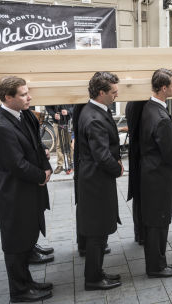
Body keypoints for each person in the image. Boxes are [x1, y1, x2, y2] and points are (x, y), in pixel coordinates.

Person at [0, 76, 53, 302]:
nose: (29, 97)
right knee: (16, 242)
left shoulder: (23, 114)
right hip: (15, 192)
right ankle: (19, 290)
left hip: (29, 188)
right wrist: (41, 176)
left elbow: (37, 143)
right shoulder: (0, 126)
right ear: (8, 97)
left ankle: (27, 282)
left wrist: (46, 166)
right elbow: (16, 165)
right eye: (24, 94)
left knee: (26, 236)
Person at [75, 72, 123, 291]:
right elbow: (102, 155)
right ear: (101, 92)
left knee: (99, 230)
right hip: (96, 181)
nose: (116, 95)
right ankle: (93, 278)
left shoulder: (94, 110)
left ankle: (97, 272)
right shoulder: (94, 117)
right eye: (113, 92)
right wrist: (118, 168)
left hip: (96, 179)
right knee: (97, 232)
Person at [139, 68, 172, 278]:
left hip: (149, 173)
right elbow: (169, 152)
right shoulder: (161, 117)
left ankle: (159, 262)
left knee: (154, 221)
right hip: (158, 176)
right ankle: (156, 267)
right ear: (163, 88)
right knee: (159, 222)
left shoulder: (148, 108)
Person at [125, 100, 147, 245]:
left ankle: (139, 233)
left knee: (139, 197)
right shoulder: (140, 103)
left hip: (136, 153)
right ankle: (142, 234)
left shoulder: (131, 103)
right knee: (141, 196)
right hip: (141, 155)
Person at [45, 104, 74, 174]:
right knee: (59, 144)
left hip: (68, 121)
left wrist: (68, 111)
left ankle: (71, 163)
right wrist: (53, 114)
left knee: (69, 144)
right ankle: (60, 165)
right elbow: (48, 107)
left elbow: (75, 106)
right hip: (57, 122)